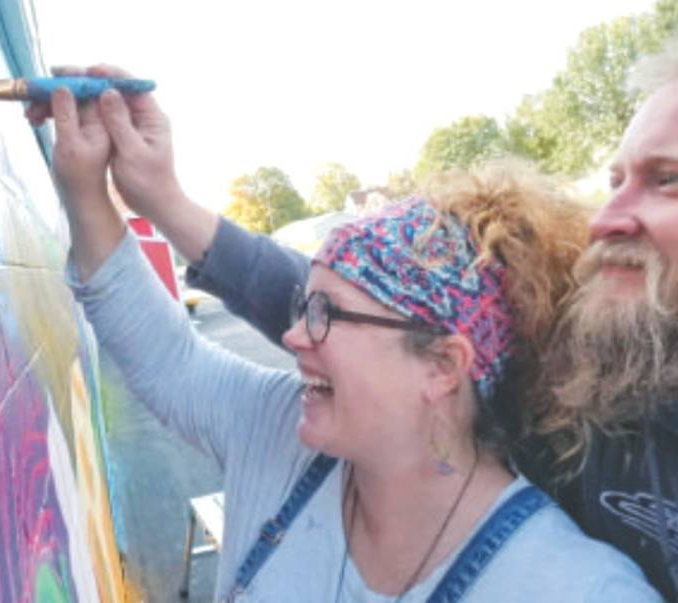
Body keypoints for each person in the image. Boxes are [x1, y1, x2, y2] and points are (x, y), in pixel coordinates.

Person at [40, 35, 678, 599]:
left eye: (323, 313)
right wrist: (87, 191)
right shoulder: (277, 435)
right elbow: (165, 357)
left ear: (444, 366)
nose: (291, 335)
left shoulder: (579, 586)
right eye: (304, 305)